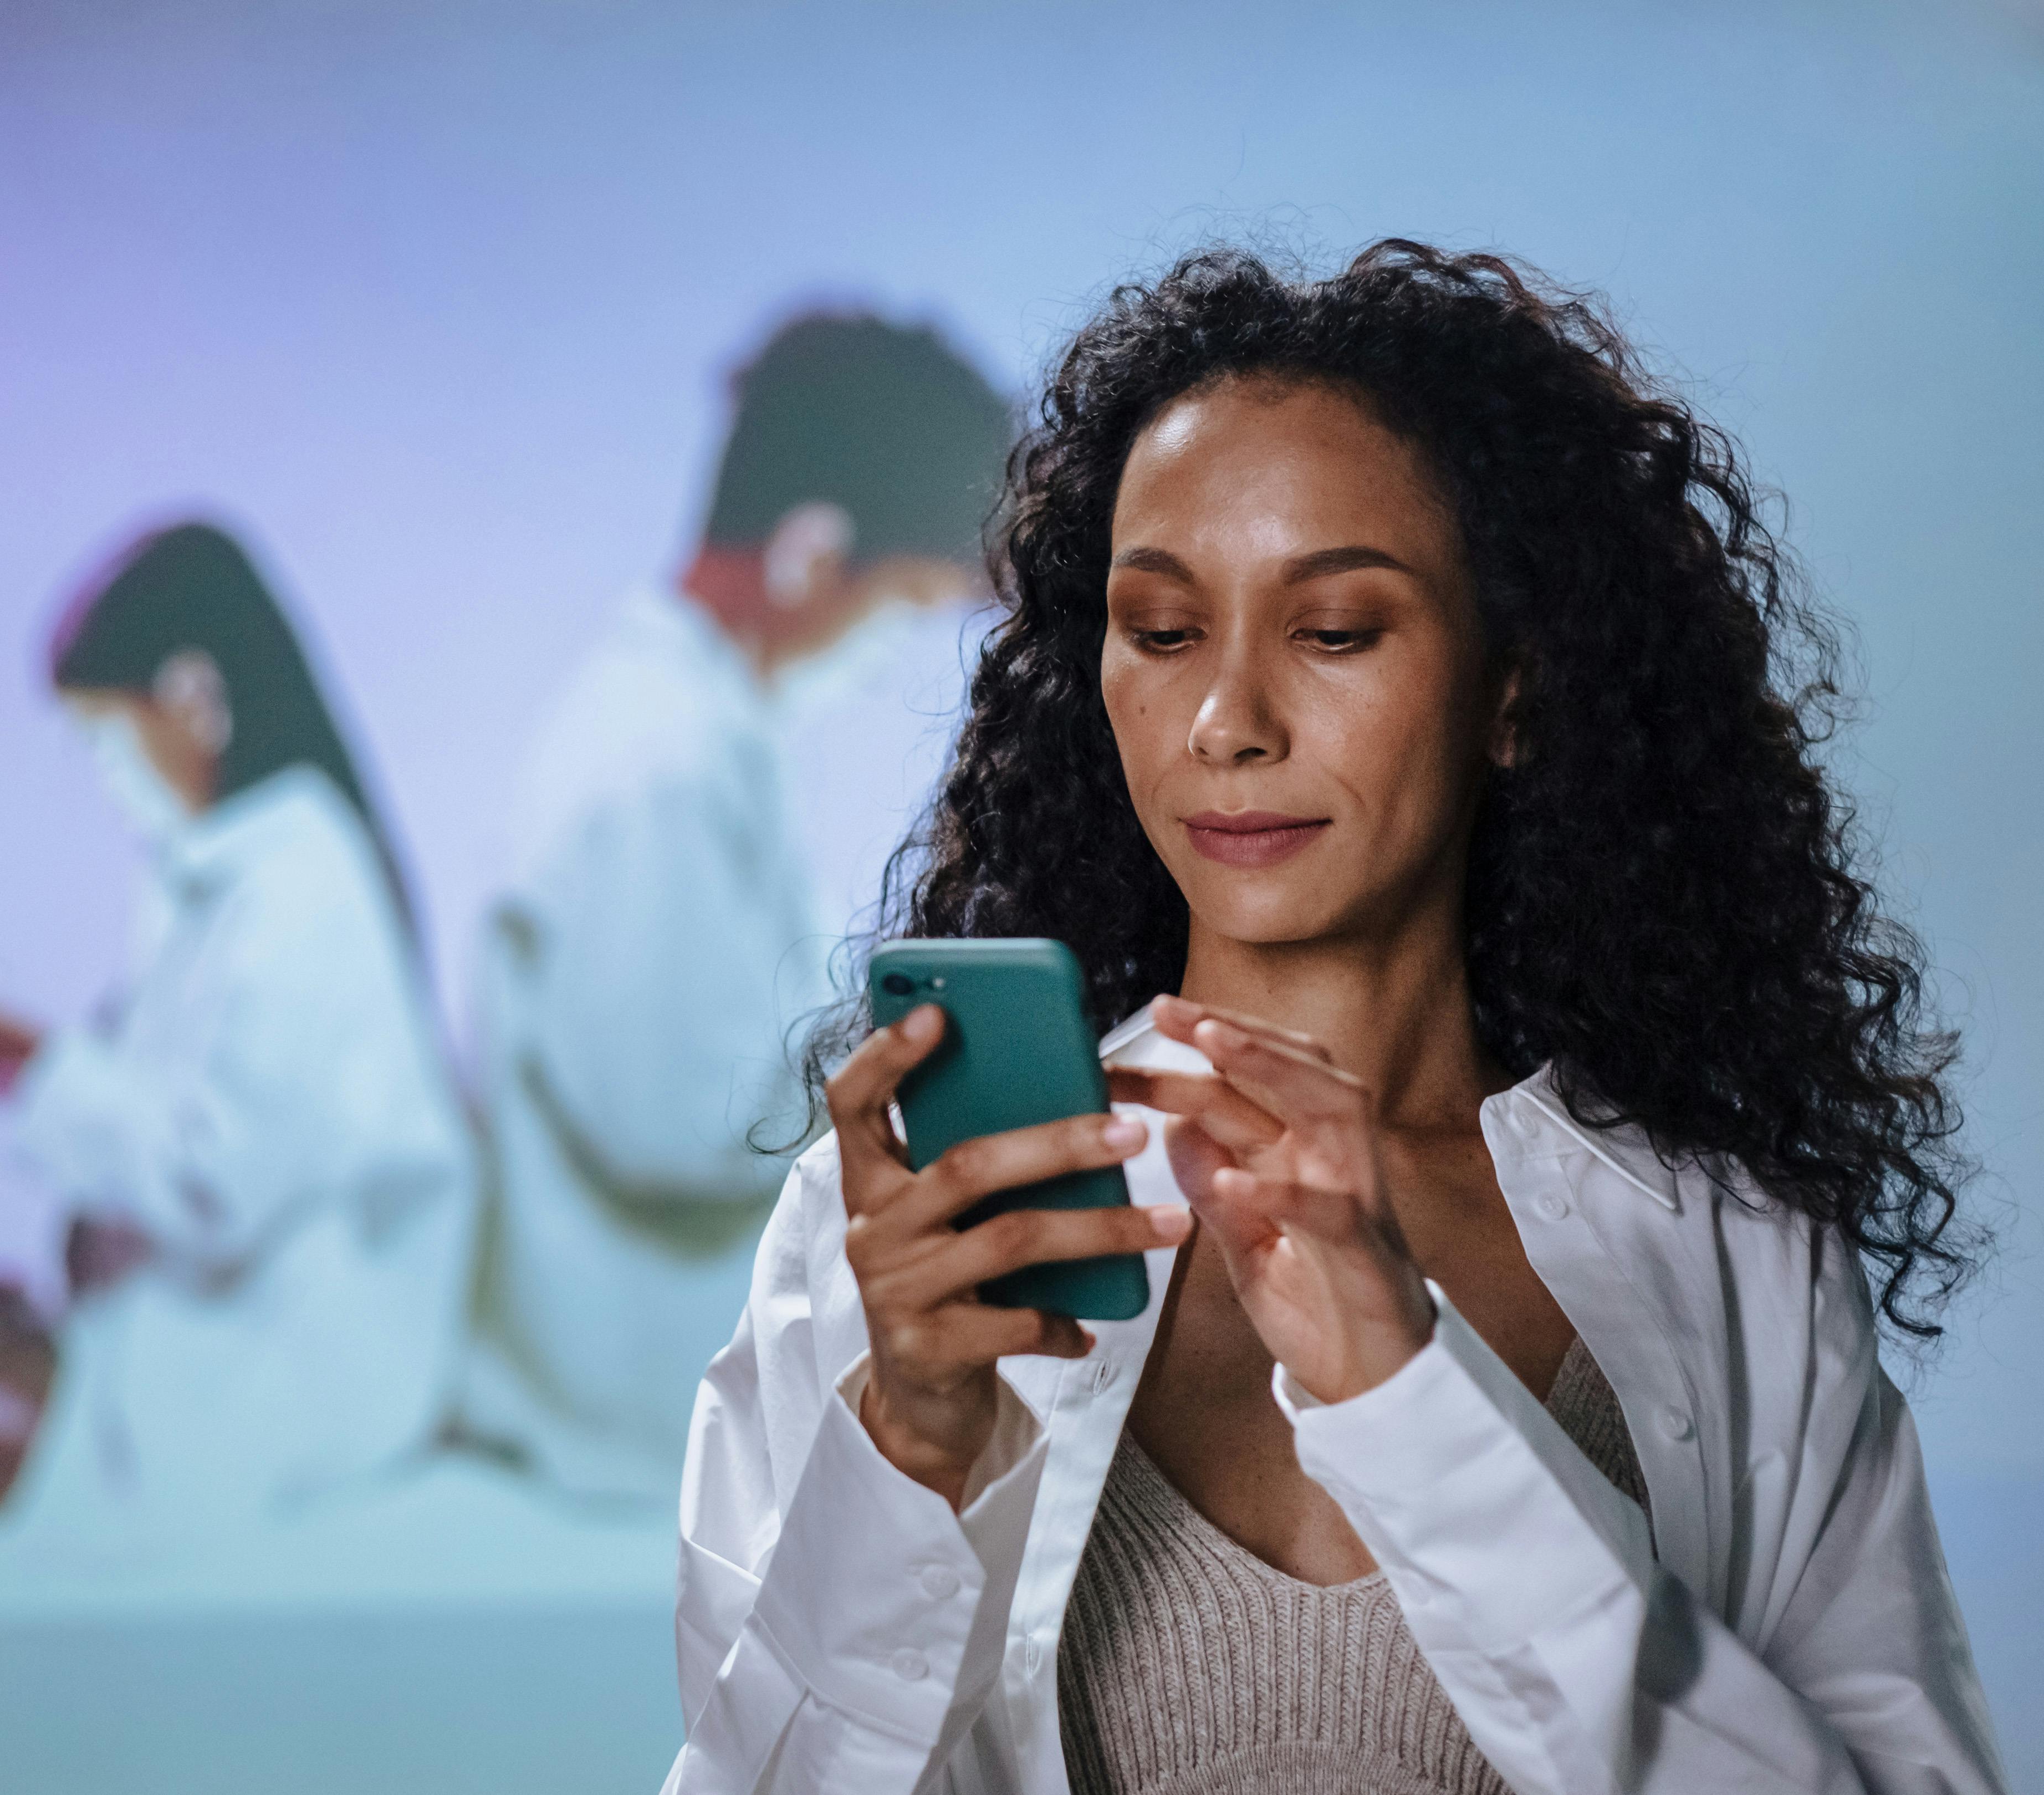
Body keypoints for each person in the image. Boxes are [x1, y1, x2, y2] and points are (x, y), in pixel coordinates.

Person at [664, 244, 2003, 1793]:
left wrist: (1411, 1395)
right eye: (1162, 632)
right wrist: (904, 1449)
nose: (1227, 719)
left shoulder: (1730, 1251)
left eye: (1336, 628)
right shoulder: (900, 1233)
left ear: (1511, 689)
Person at [457, 312, 1015, 1501]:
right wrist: (928, 1062)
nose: (894, 652)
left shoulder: (704, 736)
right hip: (629, 1429)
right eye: (904, 604)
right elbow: (673, 1115)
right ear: (812, 555)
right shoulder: (659, 764)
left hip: (678, 1401)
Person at [0, 519, 481, 1519]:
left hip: (283, 1371)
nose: (105, 771)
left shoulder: (300, 889)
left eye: (104, 734)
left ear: (193, 699)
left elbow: (216, 1187)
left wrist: (29, 1056)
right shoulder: (224, 873)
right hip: (210, 1325)